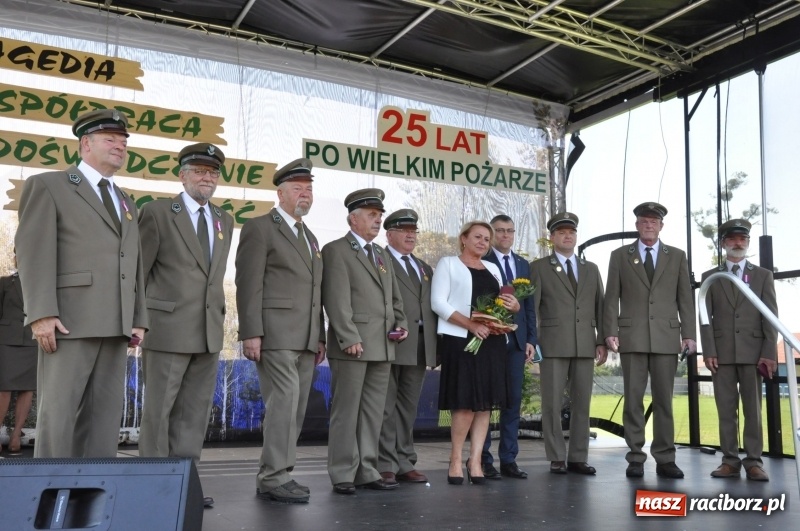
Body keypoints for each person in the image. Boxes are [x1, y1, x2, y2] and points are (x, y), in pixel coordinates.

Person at [15, 108, 148, 458]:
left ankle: (91, 494)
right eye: (111, 139)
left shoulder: (125, 200)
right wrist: (41, 313)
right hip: (69, 322)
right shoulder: (49, 186)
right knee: (58, 417)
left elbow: (133, 263)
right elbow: (32, 252)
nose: (120, 146)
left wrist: (138, 317)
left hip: (116, 324)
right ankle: (48, 497)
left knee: (103, 420)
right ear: (85, 143)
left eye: (123, 142)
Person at [138, 143, 234, 508]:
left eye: (212, 172)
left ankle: (183, 484)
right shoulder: (158, 212)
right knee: (159, 412)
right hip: (165, 328)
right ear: (182, 174)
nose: (206, 178)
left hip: (208, 331)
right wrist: (137, 321)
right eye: (199, 171)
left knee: (193, 415)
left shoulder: (224, 219)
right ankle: (152, 486)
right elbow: (139, 272)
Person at [236, 158, 326, 503]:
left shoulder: (310, 236)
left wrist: (319, 336)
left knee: (295, 408)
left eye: (309, 189)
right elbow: (248, 283)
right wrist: (250, 332)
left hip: (304, 338)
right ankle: (272, 476)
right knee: (283, 404)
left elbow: (316, 291)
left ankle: (281, 473)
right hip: (273, 334)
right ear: (281, 193)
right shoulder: (260, 227)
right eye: (297, 189)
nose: (305, 194)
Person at [323, 188, 408, 495]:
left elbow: (394, 299)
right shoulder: (336, 250)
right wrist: (348, 337)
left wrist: (402, 324)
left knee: (373, 412)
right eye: (372, 215)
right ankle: (343, 472)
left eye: (379, 216)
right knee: (347, 411)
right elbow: (336, 299)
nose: (377, 221)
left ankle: (367, 469)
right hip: (354, 345)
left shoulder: (381, 254)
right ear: (353, 219)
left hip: (383, 345)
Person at [604, 202, 696, 479]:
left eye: (653, 222)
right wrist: (610, 330)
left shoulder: (677, 256)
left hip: (667, 338)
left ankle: (666, 458)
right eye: (644, 221)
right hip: (631, 337)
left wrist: (689, 334)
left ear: (661, 226)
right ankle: (635, 457)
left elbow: (685, 298)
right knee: (633, 400)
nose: (648, 225)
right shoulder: (620, 255)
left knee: (664, 401)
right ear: (637, 225)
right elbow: (611, 297)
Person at [432, 221, 519, 485]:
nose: (483, 242)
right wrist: (471, 325)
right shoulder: (448, 264)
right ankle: (456, 459)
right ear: (464, 239)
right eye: (478, 237)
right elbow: (438, 303)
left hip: (491, 343)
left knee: (485, 407)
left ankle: (476, 461)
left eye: (486, 239)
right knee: (465, 404)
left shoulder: (493, 268)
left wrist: (512, 307)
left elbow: (500, 306)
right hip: (461, 342)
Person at [700, 219, 778, 481]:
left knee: (753, 411)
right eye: (733, 239)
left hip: (753, 352)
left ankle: (754, 462)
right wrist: (708, 350)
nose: (738, 243)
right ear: (723, 243)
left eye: (742, 239)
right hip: (721, 354)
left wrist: (768, 352)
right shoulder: (709, 277)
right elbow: (704, 317)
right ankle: (730, 461)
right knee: (725, 410)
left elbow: (770, 316)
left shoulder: (763, 275)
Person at [530, 212, 606, 475]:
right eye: (561, 232)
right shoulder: (539, 267)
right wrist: (533, 341)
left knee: (582, 403)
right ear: (552, 237)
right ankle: (556, 457)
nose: (567, 236)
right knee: (551, 403)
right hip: (551, 344)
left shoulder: (591, 269)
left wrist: (601, 341)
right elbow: (532, 308)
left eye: (571, 232)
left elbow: (601, 307)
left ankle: (577, 457)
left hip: (585, 344)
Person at [378, 209, 437, 484]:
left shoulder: (424, 267)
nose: (410, 235)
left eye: (413, 231)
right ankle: (384, 463)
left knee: (408, 407)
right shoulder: (379, 259)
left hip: (420, 345)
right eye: (404, 231)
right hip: (391, 341)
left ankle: (404, 461)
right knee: (386, 407)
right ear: (389, 234)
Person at [480, 214, 537, 480]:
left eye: (510, 231)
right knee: (485, 403)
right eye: (500, 231)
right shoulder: (481, 260)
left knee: (512, 401)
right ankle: (483, 460)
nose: (505, 236)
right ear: (492, 234)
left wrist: (530, 340)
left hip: (516, 343)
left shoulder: (523, 264)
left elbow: (529, 307)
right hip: (488, 341)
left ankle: (509, 460)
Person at [0, 253, 37, 455]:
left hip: (32, 339)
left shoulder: (43, 283)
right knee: (4, 389)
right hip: (6, 341)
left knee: (27, 389)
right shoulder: (5, 282)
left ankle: (16, 436)